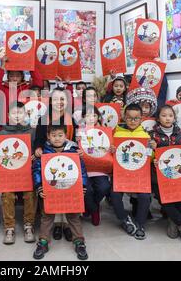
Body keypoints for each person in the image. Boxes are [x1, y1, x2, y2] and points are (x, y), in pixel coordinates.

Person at [32, 125, 89, 260]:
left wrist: (83, 186)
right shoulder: (43, 152)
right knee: (47, 215)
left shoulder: (74, 151)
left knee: (73, 215)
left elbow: (82, 171)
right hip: (50, 190)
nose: (57, 138)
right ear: (48, 136)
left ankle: (79, 241)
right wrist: (39, 186)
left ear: (66, 136)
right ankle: (43, 241)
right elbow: (36, 171)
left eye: (60, 135)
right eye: (53, 135)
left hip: (70, 189)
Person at [148, 105, 181, 242]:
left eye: (170, 115)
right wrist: (153, 156)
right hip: (158, 174)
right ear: (158, 118)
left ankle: (174, 221)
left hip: (178, 173)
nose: (167, 118)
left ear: (174, 117)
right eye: (164, 115)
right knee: (164, 198)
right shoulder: (152, 134)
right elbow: (147, 154)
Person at [33, 88, 77, 241]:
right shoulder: (44, 118)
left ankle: (66, 224)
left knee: (67, 188)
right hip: (49, 159)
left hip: (67, 160)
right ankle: (57, 224)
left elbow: (76, 141)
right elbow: (38, 139)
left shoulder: (71, 119)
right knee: (54, 188)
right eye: (57, 99)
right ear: (51, 101)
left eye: (63, 99)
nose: (60, 102)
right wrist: (37, 148)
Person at [0, 102, 37, 244]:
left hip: (27, 172)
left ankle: (28, 225)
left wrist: (35, 155)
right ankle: (9, 227)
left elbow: (38, 149)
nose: (17, 115)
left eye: (20, 113)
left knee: (30, 193)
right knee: (7, 194)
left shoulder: (32, 131)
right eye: (14, 113)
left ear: (26, 115)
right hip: (9, 173)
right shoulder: (2, 133)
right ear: (8, 116)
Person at [111, 104, 153, 240]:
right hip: (121, 173)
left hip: (139, 174)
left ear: (141, 119)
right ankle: (124, 219)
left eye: (136, 118)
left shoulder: (145, 135)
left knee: (145, 196)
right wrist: (111, 150)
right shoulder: (116, 133)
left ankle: (140, 224)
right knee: (114, 194)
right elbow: (111, 155)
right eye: (129, 118)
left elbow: (149, 158)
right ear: (124, 117)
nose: (132, 121)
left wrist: (152, 150)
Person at [76, 106, 112, 226]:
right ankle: (94, 209)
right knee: (87, 190)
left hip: (100, 168)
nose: (91, 118)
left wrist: (112, 149)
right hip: (83, 168)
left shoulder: (105, 131)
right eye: (88, 115)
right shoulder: (79, 132)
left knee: (104, 187)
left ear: (98, 117)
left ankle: (91, 207)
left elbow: (109, 149)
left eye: (94, 115)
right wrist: (77, 149)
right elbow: (71, 148)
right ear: (83, 118)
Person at [0, 56, 43, 122]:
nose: (15, 78)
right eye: (11, 76)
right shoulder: (3, 89)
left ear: (22, 77)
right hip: (6, 124)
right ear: (8, 77)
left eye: (18, 76)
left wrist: (30, 65)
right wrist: (2, 66)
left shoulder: (27, 88)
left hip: (25, 122)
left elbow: (39, 84)